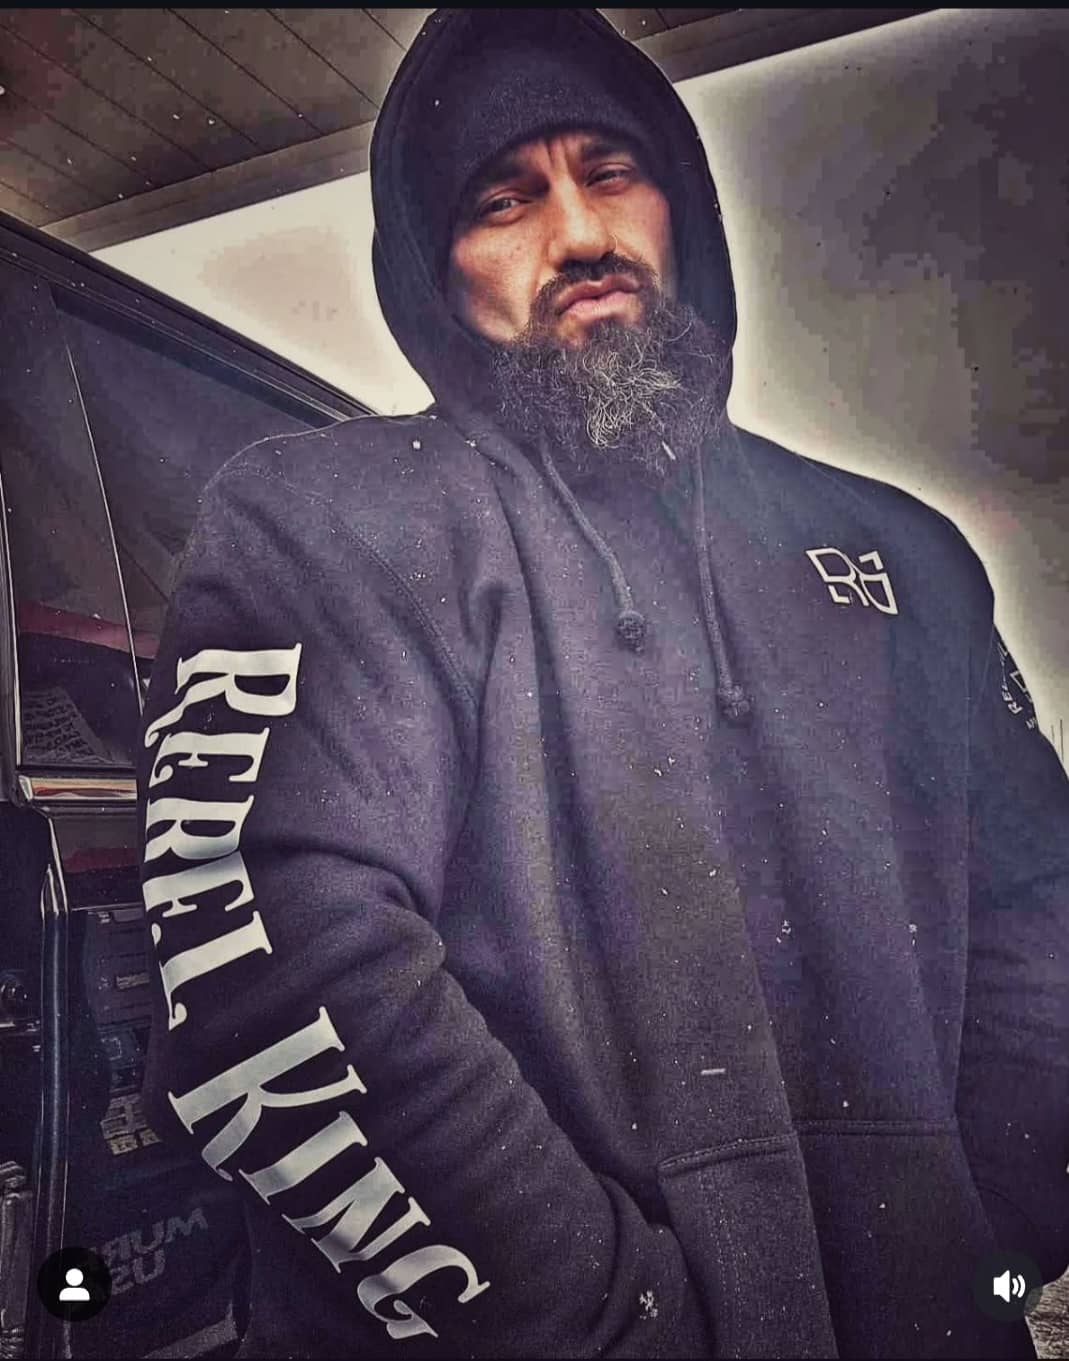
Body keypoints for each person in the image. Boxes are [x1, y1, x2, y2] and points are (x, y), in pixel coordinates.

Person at [135, 8, 1069, 1358]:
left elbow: (1041, 917)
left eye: (610, 172)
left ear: (681, 204)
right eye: (502, 201)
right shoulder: (324, 523)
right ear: (434, 272)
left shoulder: (905, 557)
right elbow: (271, 971)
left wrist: (980, 1243)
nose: (577, 235)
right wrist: (611, 1325)